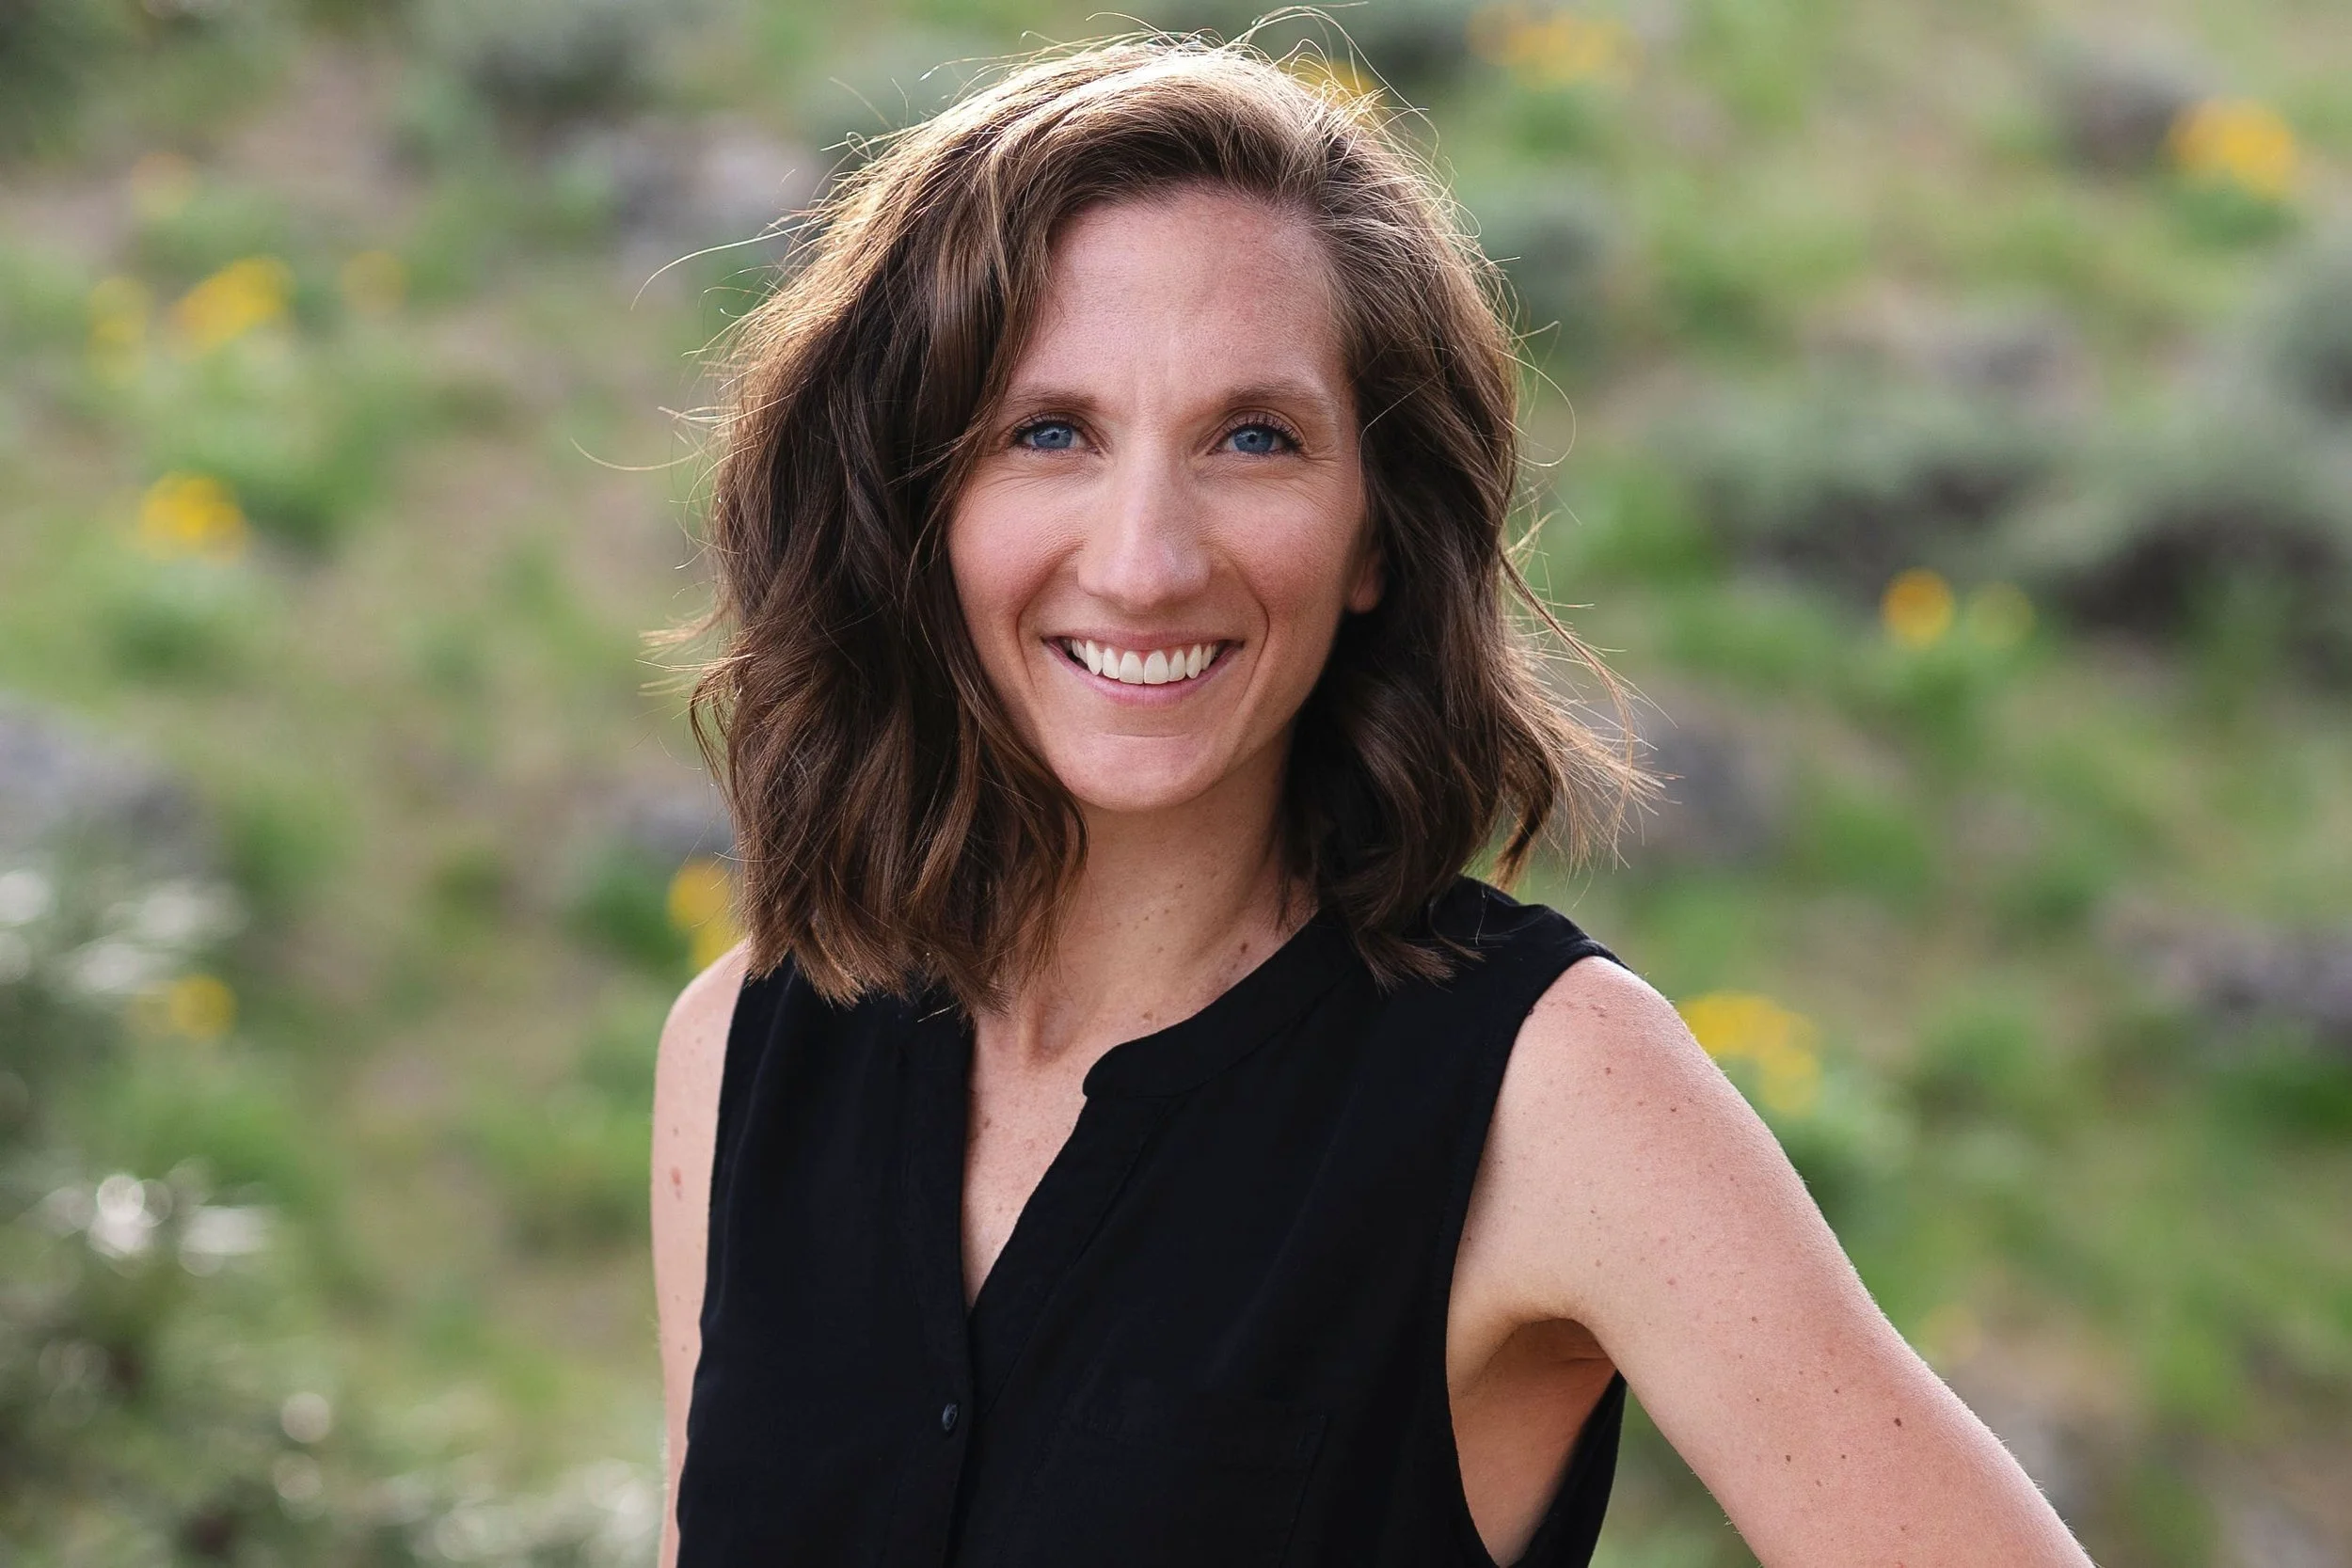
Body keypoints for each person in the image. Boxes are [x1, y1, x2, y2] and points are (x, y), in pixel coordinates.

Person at [649, 36, 2094, 1568]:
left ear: (1375, 534)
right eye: (1049, 432)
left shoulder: (1553, 1093)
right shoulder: (740, 1047)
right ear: (917, 499)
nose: (1144, 560)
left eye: (1253, 438)